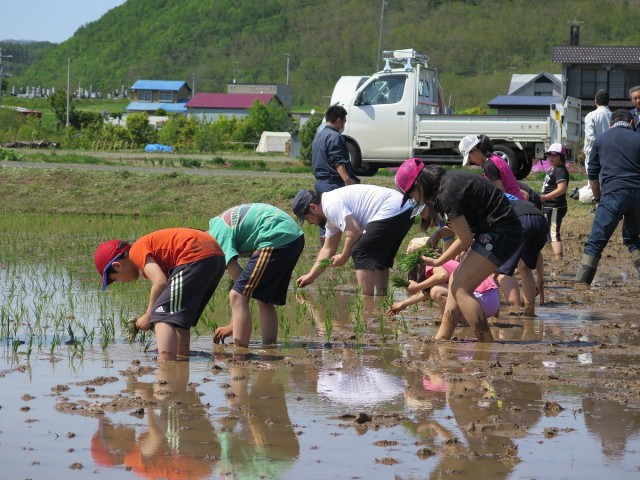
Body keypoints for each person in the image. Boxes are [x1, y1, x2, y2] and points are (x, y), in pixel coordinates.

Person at [394, 157, 523, 342]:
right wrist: (437, 235)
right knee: (455, 279)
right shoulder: (446, 185)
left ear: (419, 185)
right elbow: (462, 226)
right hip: (493, 230)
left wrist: (438, 261)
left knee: (462, 287)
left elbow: (464, 239)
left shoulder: (446, 194)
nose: (414, 199)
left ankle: (486, 342)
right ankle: (443, 336)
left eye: (411, 194)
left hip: (502, 231)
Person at [94, 228, 225, 361]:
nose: (121, 282)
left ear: (117, 266)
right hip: (216, 256)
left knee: (161, 315)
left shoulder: (136, 251)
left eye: (115, 279)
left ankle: (166, 362)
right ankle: (181, 356)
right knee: (178, 316)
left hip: (195, 255)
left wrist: (149, 315)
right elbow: (167, 285)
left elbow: (160, 282)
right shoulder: (149, 251)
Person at [209, 203, 304, 348]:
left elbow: (241, 289)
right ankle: (270, 347)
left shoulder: (216, 238)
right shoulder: (218, 225)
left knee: (237, 296)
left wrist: (233, 325)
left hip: (275, 236)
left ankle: (240, 353)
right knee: (264, 298)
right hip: (294, 236)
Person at [292, 184, 413, 296]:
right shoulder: (329, 215)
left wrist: (344, 256)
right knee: (379, 257)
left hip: (393, 208)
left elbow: (354, 233)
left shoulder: (330, 205)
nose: (310, 223)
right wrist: (311, 276)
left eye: (307, 218)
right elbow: (328, 249)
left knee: (360, 251)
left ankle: (366, 302)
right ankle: (382, 297)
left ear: (313, 207)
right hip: (404, 209)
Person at [576, 109, 640, 285]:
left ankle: (581, 284)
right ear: (631, 123)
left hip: (613, 194)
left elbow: (593, 175)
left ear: (610, 124)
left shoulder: (601, 139)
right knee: (633, 238)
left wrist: (597, 200)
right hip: (637, 196)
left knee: (596, 242)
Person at [386, 257, 500, 320]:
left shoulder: (432, 263)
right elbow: (426, 293)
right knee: (435, 290)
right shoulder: (443, 263)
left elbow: (442, 276)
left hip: (481, 301)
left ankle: (459, 320)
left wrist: (418, 286)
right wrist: (403, 304)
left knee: (436, 291)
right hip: (490, 300)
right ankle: (455, 319)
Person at [311, 105, 360, 242]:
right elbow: (338, 161)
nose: (343, 125)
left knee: (325, 221)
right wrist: (347, 181)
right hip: (333, 184)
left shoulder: (318, 136)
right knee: (346, 219)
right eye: (344, 121)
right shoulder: (335, 137)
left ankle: (324, 254)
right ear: (339, 120)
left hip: (319, 184)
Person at [494, 196, 548, 316]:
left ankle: (494, 313)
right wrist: (540, 280)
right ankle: (530, 312)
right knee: (524, 268)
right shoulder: (509, 200)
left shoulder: (492, 205)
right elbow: (538, 254)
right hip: (541, 220)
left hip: (521, 220)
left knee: (498, 269)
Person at [458, 134, 524, 200]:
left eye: (469, 158)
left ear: (474, 150)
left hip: (513, 203)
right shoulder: (495, 157)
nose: (471, 161)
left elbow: (500, 194)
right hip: (519, 199)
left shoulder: (489, 166)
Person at [540, 143, 569, 259]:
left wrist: (544, 197)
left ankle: (559, 258)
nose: (550, 158)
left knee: (553, 232)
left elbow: (562, 189)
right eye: (548, 155)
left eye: (554, 155)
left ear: (561, 157)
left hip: (555, 206)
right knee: (547, 231)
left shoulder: (560, 171)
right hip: (549, 205)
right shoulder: (553, 169)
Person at [583, 89, 611, 173]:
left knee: (593, 182)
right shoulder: (614, 116)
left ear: (595, 101)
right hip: (610, 154)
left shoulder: (591, 115)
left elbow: (590, 138)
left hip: (594, 154)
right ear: (608, 101)